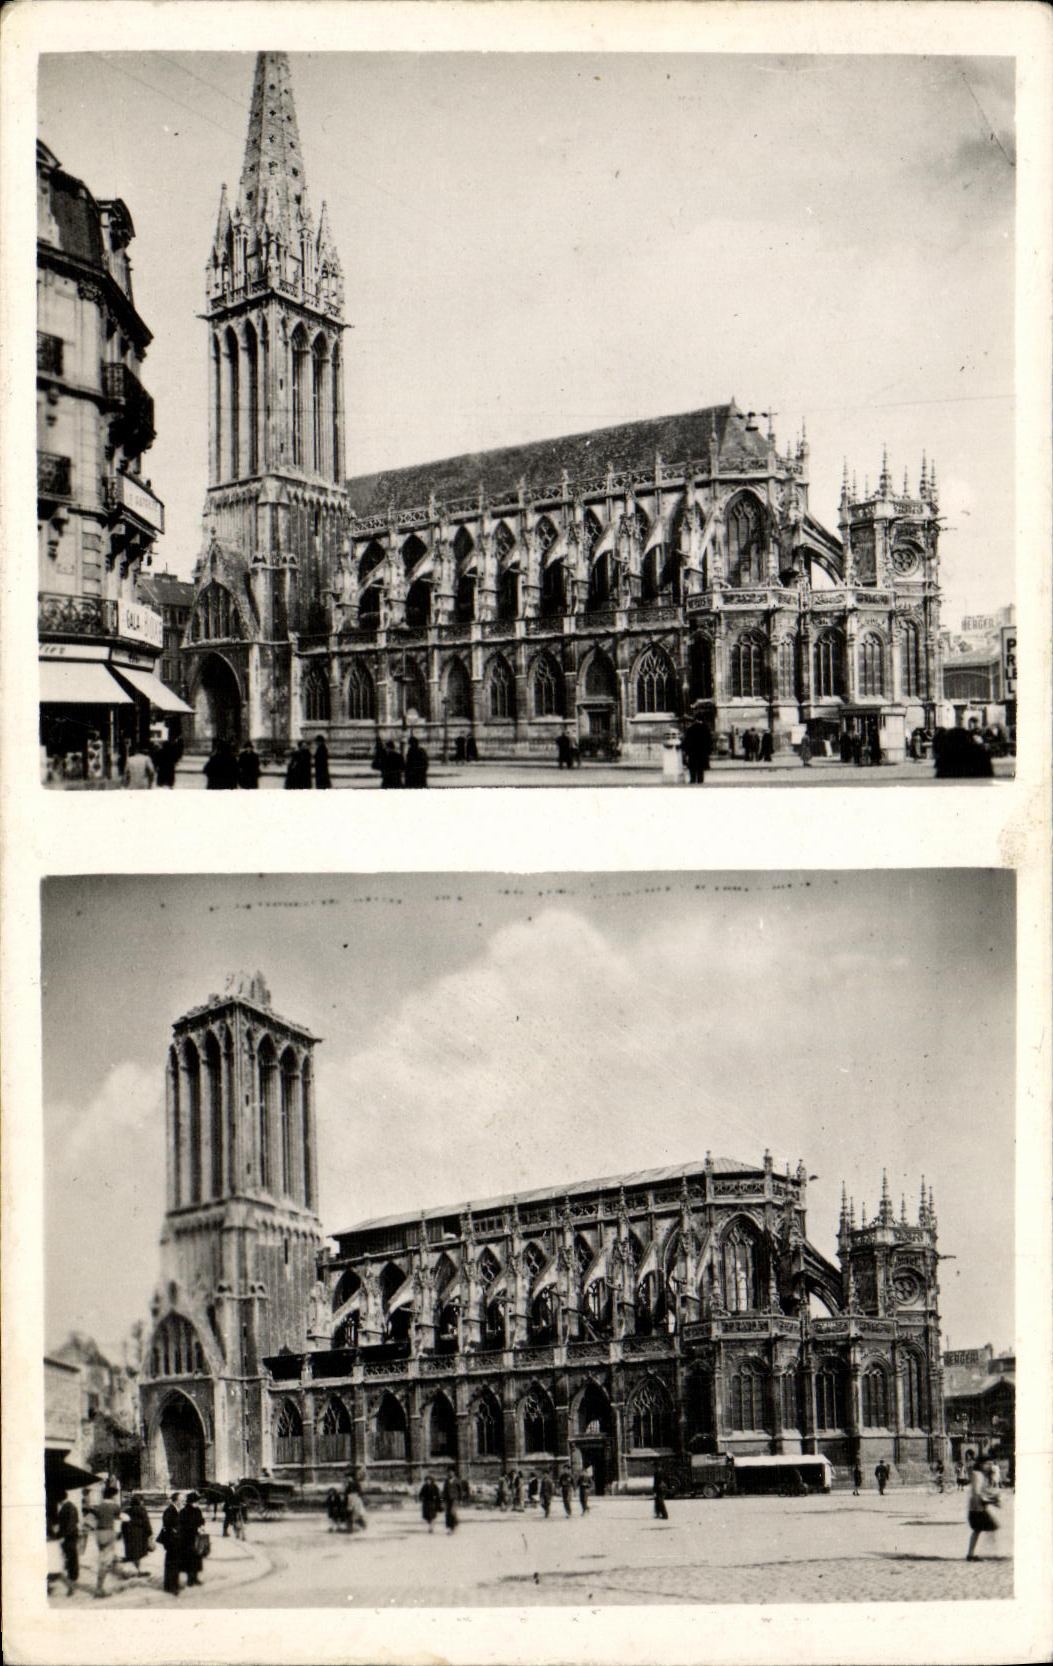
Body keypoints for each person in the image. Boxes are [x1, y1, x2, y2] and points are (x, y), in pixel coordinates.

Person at [87, 1482, 123, 1599]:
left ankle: (105, 1585)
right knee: (106, 1562)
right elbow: (118, 1521)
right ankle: (99, 1589)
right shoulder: (115, 1506)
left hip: (99, 1534)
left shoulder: (99, 1506)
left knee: (105, 1558)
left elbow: (92, 1519)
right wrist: (118, 1534)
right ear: (113, 1496)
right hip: (109, 1533)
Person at [966, 1456, 1000, 1560]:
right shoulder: (978, 1474)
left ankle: (971, 1554)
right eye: (987, 1464)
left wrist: (991, 1499)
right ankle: (989, 1552)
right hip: (977, 1508)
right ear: (981, 1464)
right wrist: (991, 1500)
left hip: (978, 1507)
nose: (990, 1466)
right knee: (991, 1527)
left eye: (991, 1464)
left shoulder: (983, 1475)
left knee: (979, 1530)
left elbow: (983, 1491)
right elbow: (977, 1492)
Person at [178, 1490, 206, 1588]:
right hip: (187, 1539)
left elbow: (202, 1520)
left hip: (196, 1538)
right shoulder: (184, 1512)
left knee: (197, 1558)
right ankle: (190, 1579)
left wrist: (202, 1525)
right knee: (190, 1559)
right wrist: (196, 1528)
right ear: (191, 1502)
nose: (197, 1503)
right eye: (196, 1502)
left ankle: (195, 1578)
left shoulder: (197, 1510)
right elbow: (183, 1525)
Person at [121, 1492, 153, 1575]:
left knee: (132, 1552)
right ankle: (138, 1571)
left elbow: (123, 1524)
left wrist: (124, 1534)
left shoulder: (127, 1510)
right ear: (140, 1501)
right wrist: (150, 1533)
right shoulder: (142, 1510)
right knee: (138, 1553)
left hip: (128, 1534)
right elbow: (146, 1522)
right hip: (139, 1534)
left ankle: (135, 1570)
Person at [56, 1491, 80, 1596]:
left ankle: (72, 1586)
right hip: (68, 1537)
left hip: (69, 1538)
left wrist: (63, 1536)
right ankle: (71, 1584)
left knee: (71, 1560)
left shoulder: (68, 1507)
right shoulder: (69, 1506)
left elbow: (70, 1524)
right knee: (69, 1560)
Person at [159, 1492, 182, 1595]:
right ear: (176, 1500)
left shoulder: (176, 1510)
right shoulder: (170, 1510)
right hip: (172, 1541)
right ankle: (172, 1586)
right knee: (172, 1564)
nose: (183, 1501)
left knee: (174, 1563)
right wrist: (176, 1530)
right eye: (182, 1499)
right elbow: (168, 1525)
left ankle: (171, 1585)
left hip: (176, 1541)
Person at [681, 711, 713, 785]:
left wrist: (686, 750)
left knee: (692, 767)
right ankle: (700, 780)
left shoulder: (691, 728)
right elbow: (709, 741)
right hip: (702, 752)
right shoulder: (706, 729)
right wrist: (708, 751)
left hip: (693, 752)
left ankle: (692, 779)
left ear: (696, 719)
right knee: (700, 768)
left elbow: (687, 740)